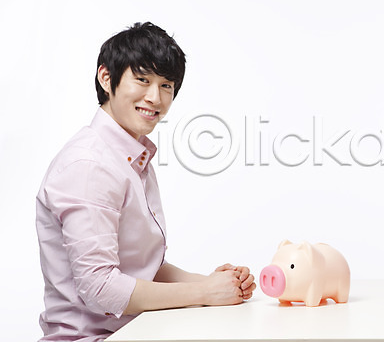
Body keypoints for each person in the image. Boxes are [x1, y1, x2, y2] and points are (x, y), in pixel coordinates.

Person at [36, 22, 256, 342]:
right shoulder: (89, 165)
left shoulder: (130, 156)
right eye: (142, 79)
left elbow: (142, 267)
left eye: (166, 85)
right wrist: (204, 292)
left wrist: (215, 283)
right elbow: (101, 288)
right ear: (106, 78)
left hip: (137, 333)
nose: (155, 97)